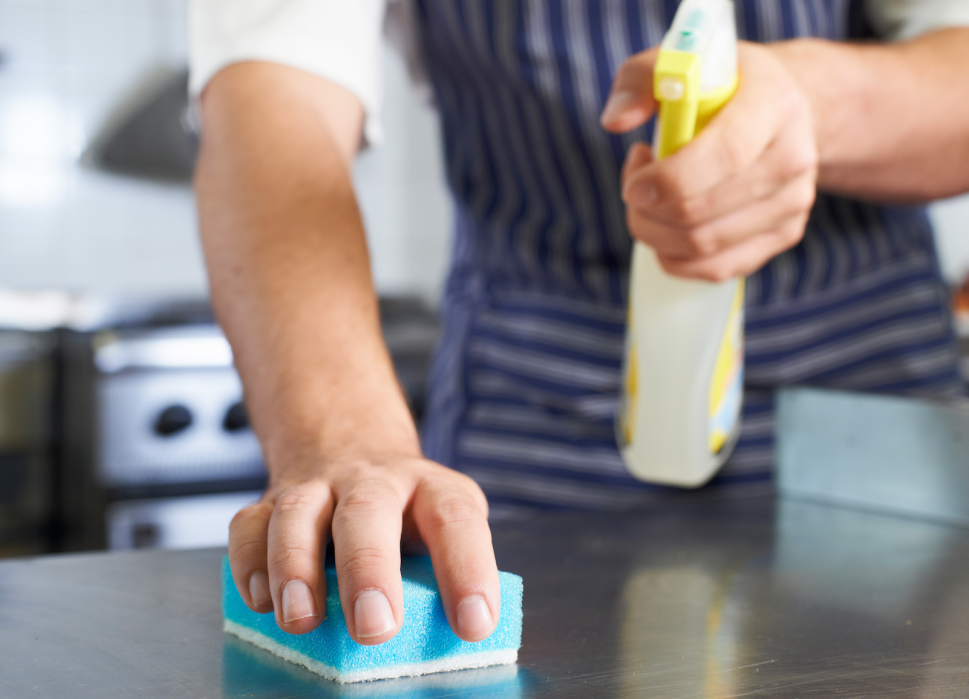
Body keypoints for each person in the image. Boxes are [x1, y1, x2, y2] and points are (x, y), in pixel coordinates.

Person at [190, 0, 969, 648]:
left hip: (864, 426)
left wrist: (813, 102)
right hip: (534, 427)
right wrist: (345, 437)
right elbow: (274, 100)